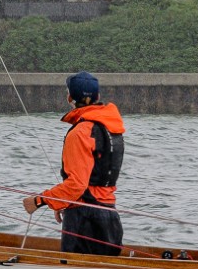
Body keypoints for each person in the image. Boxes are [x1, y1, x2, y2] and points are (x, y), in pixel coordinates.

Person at [21, 71, 125, 256]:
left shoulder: (80, 132)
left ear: (70, 98)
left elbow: (77, 184)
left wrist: (39, 201)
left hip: (84, 220)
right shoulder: (111, 126)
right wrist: (63, 202)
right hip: (110, 217)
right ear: (98, 97)